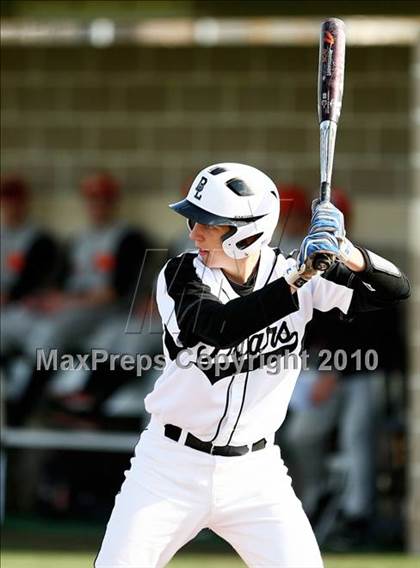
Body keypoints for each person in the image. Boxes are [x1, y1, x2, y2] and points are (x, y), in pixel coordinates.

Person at [95, 163, 410, 568]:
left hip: (255, 473)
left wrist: (347, 252)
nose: (194, 233)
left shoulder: (297, 273)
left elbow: (393, 290)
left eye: (208, 223)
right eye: (194, 220)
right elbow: (218, 327)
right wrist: (296, 281)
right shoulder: (180, 274)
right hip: (169, 466)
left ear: (247, 231)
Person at [4, 172, 148, 425]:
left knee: (53, 328)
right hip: (75, 308)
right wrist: (48, 300)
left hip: (108, 311)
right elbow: (58, 285)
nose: (96, 205)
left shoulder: (128, 237)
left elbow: (115, 292)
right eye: (92, 199)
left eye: (102, 199)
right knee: (23, 321)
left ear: (112, 202)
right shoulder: (79, 239)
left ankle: (26, 405)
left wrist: (66, 302)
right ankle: (34, 397)